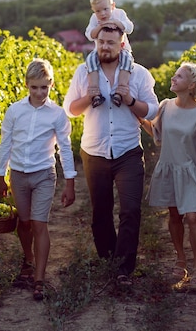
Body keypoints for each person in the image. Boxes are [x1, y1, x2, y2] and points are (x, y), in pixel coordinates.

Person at [63, 25, 159, 286]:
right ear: (97, 43)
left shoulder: (139, 74)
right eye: (101, 42)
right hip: (94, 152)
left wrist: (129, 100)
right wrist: (86, 98)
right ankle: (109, 261)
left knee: (130, 210)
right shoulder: (84, 73)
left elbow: (151, 110)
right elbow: (70, 110)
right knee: (100, 213)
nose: (105, 47)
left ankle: (123, 270)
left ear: (122, 45)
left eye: (111, 43)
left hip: (128, 151)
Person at [140, 62, 196, 290]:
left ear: (192, 85)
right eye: (175, 75)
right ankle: (181, 260)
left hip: (192, 172)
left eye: (179, 76)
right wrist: (138, 118)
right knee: (174, 215)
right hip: (170, 169)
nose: (173, 78)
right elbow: (156, 133)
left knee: (193, 218)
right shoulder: (166, 106)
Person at [0, 58, 77, 301]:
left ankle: (39, 279)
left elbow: (65, 148)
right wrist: (1, 175)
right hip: (18, 175)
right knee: (25, 222)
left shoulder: (57, 114)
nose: (40, 92)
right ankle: (28, 259)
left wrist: (70, 181)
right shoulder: (14, 111)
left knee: (39, 223)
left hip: (44, 175)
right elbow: (6, 144)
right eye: (35, 87)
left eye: (44, 87)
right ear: (26, 85)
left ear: (51, 84)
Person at [84, 0, 135, 108]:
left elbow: (130, 28)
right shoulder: (94, 19)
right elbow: (89, 35)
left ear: (113, 6)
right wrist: (100, 27)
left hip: (122, 49)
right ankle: (95, 92)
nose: (102, 14)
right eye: (98, 11)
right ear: (93, 10)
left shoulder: (119, 14)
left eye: (106, 9)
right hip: (101, 52)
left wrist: (117, 23)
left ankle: (120, 90)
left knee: (127, 60)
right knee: (91, 60)